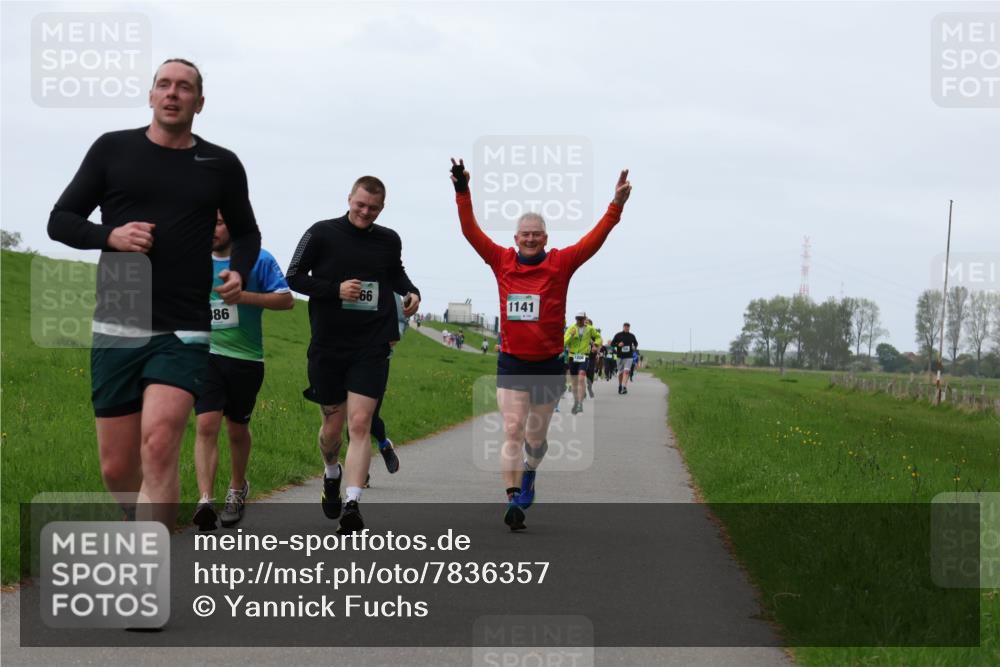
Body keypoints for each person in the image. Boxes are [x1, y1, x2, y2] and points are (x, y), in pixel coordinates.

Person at [47, 59, 261, 528]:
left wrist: (239, 272)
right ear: (150, 96)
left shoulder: (221, 164)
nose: (172, 93)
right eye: (163, 84)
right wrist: (110, 235)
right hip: (118, 320)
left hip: (184, 327)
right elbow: (60, 220)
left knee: (160, 444)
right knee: (117, 467)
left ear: (199, 103)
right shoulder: (112, 149)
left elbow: (247, 233)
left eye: (183, 87)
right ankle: (137, 517)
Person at [451, 157, 631, 531]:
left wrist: (616, 205)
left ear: (545, 239)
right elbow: (470, 231)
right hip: (512, 361)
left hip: (548, 363)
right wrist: (462, 190)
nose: (530, 238)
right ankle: (512, 498)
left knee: (536, 438)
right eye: (525, 234)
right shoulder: (500, 260)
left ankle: (531, 469)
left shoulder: (561, 263)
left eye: (537, 234)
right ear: (516, 239)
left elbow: (594, 240)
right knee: (512, 428)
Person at [286, 176, 419, 535]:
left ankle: (352, 504)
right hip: (329, 345)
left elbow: (396, 273)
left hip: (372, 344)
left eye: (373, 208)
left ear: (382, 208)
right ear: (349, 199)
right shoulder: (321, 233)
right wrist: (335, 290)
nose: (365, 212)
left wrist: (411, 292)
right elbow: (293, 277)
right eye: (360, 205)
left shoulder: (388, 239)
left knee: (359, 423)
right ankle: (332, 473)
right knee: (332, 430)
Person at [192, 212, 293, 530]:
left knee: (237, 430)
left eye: (220, 222)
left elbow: (286, 300)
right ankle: (205, 501)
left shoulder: (259, 259)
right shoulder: (194, 257)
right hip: (206, 354)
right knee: (206, 424)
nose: (212, 228)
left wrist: (244, 296)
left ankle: (237, 488)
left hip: (246, 359)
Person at [365, 292, 406, 488]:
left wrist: (394, 335)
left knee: (368, 416)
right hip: (346, 355)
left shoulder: (387, 284)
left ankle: (383, 444)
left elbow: (401, 320)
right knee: (354, 417)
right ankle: (361, 473)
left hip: (378, 358)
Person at [563, 312, 601, 414]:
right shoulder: (571, 328)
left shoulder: (589, 329)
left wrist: (595, 345)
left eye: (581, 319)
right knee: (575, 381)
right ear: (576, 319)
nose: (579, 321)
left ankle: (580, 403)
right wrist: (571, 336)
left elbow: (598, 337)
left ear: (584, 319)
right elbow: (564, 342)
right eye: (578, 319)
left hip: (584, 356)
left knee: (581, 378)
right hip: (572, 356)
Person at [611, 323, 639, 395]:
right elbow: (612, 344)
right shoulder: (618, 335)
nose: (626, 328)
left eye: (628, 327)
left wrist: (634, 347)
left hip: (629, 356)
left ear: (629, 328)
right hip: (620, 356)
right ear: (623, 327)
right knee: (620, 372)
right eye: (625, 327)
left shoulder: (632, 336)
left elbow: (636, 343)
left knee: (626, 371)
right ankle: (620, 385)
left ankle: (624, 386)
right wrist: (618, 345)